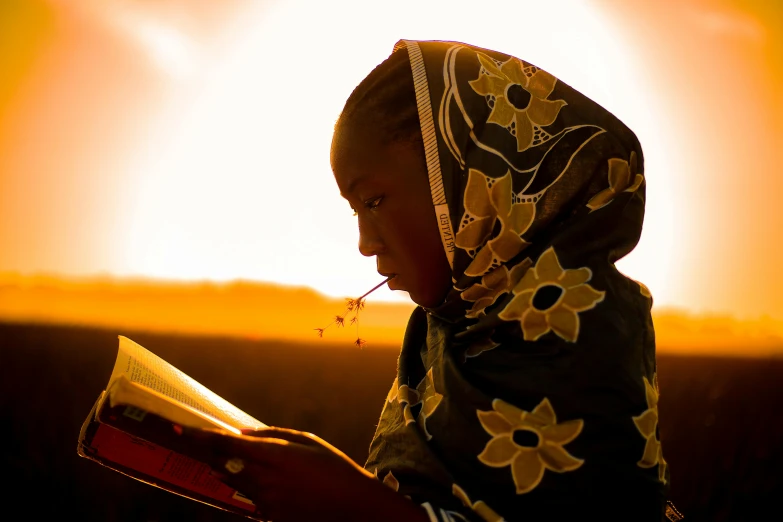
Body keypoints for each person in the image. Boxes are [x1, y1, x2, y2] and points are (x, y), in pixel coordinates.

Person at [178, 39, 672, 521]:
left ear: (472, 187)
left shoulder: (584, 332)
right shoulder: (450, 330)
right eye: (355, 210)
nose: (365, 243)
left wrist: (352, 505)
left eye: (373, 201)